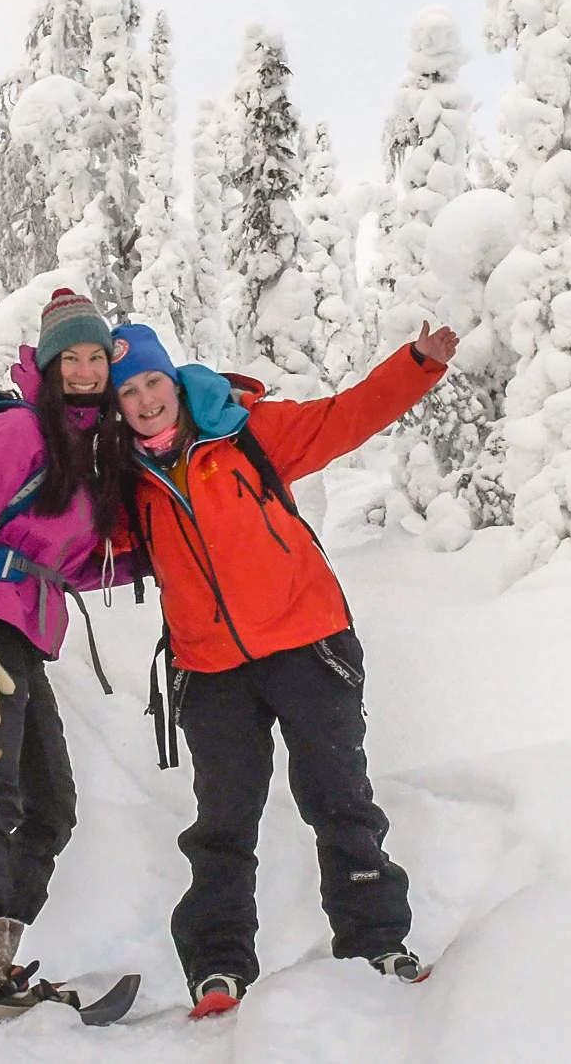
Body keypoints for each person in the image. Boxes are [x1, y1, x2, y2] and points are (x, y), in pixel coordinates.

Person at [108, 319, 459, 1018]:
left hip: (308, 644)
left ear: (173, 382)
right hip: (209, 669)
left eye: (153, 382)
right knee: (222, 820)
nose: (145, 400)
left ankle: (375, 941)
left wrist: (416, 364)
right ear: (116, 408)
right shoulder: (125, 484)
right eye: (128, 392)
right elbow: (75, 546)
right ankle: (217, 965)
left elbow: (345, 417)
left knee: (339, 796)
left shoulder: (247, 434)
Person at [0, 288, 137, 1022]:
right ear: (47, 366)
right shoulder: (20, 432)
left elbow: (58, 565)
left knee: (52, 808)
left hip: (23, 638)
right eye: (68, 358)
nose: (82, 371)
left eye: (93, 358)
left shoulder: (85, 449)